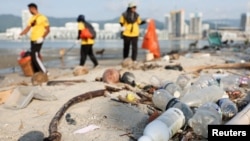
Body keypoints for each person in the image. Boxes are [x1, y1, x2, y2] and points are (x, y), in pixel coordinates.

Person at [19, 3, 50, 74]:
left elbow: (48, 30)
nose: (29, 11)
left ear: (33, 9)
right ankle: (37, 72)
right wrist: (21, 34)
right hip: (32, 40)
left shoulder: (42, 17)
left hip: (39, 40)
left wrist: (42, 38)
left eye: (30, 10)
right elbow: (27, 28)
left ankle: (45, 72)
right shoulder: (32, 18)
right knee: (34, 57)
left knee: (35, 56)